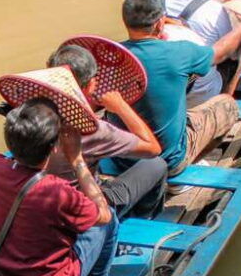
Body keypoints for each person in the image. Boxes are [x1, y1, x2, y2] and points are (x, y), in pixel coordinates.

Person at [0, 98, 117, 276]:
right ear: (54, 148)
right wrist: (77, 160)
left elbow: (13, 159)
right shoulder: (58, 191)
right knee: (110, 221)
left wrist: (23, 131)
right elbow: (103, 214)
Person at [118, 0, 241, 175]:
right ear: (160, 23)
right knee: (228, 105)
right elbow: (219, 52)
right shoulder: (179, 52)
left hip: (122, 158)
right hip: (170, 162)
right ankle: (187, 167)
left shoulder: (113, 54)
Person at [46, 45, 167, 219]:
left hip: (45, 195)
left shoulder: (33, 112)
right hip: (83, 205)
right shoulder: (94, 130)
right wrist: (121, 107)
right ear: (91, 84)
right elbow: (153, 148)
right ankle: (142, 217)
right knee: (157, 164)